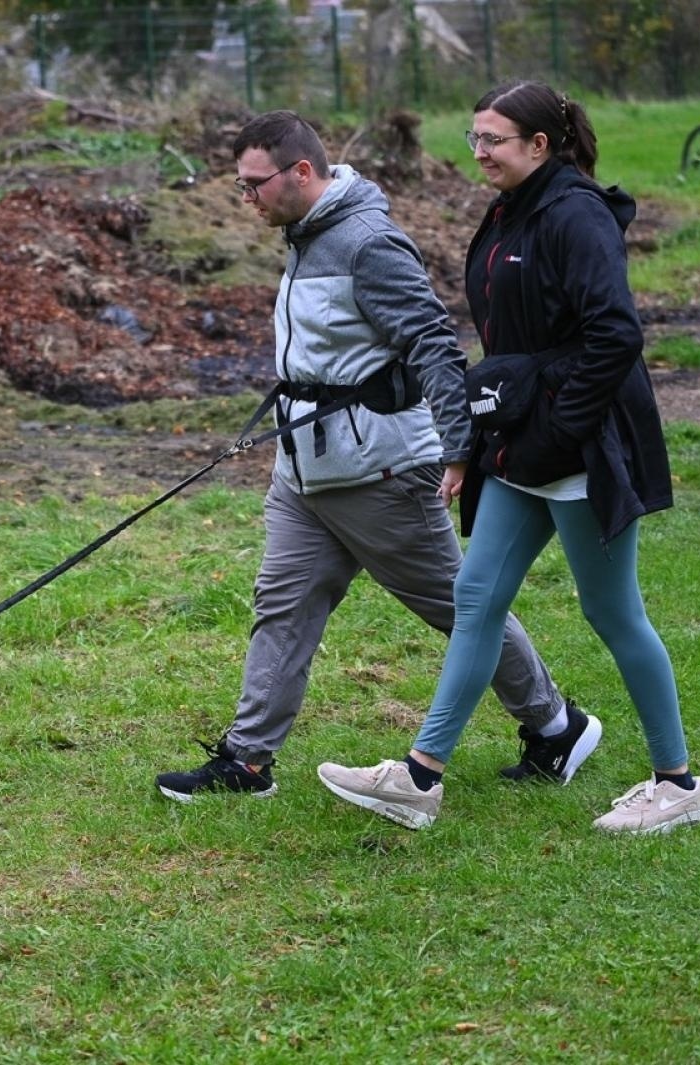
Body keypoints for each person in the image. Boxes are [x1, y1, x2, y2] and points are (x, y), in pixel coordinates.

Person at [155, 110, 597, 802]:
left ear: (302, 172)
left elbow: (433, 344)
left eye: (254, 185)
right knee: (284, 603)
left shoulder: (367, 242)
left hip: (381, 473)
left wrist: (459, 447)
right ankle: (247, 761)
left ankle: (556, 724)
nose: (247, 199)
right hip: (306, 469)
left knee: (460, 607)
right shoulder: (303, 232)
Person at [317, 82, 700, 835]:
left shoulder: (576, 214)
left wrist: (559, 430)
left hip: (579, 443)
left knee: (611, 610)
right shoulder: (507, 213)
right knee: (477, 596)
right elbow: (508, 349)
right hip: (520, 445)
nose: (478, 152)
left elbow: (615, 336)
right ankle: (420, 775)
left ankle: (679, 784)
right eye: (473, 137)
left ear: (539, 145)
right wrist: (478, 443)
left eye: (492, 139)